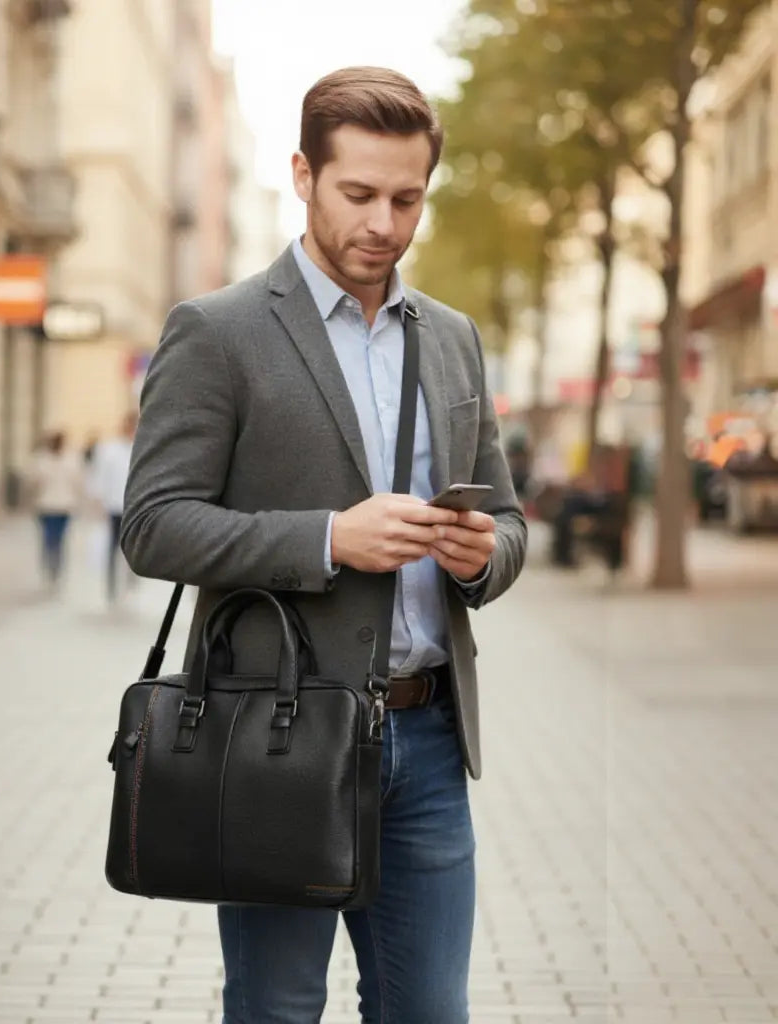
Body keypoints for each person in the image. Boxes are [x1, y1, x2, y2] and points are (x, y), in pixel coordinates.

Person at [121, 67, 526, 1024]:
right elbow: (152, 524)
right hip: (274, 739)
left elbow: (509, 521)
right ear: (304, 175)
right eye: (358, 194)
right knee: (276, 1009)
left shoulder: (456, 339)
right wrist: (332, 537)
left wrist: (480, 557)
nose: (383, 222)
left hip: (426, 743)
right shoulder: (217, 333)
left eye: (406, 198)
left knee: (431, 1011)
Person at [87, 411, 137, 601]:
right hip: (114, 506)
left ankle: (130, 584)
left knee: (132, 549)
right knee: (112, 547)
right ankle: (111, 586)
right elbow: (99, 477)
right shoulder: (109, 450)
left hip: (134, 508)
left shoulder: (140, 449)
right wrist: (98, 501)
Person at [28, 431, 82, 586]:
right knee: (49, 538)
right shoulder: (42, 459)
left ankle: (56, 567)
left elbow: (77, 482)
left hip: (63, 506)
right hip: (47, 506)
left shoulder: (70, 459)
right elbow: (34, 482)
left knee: (58, 539)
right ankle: (51, 566)